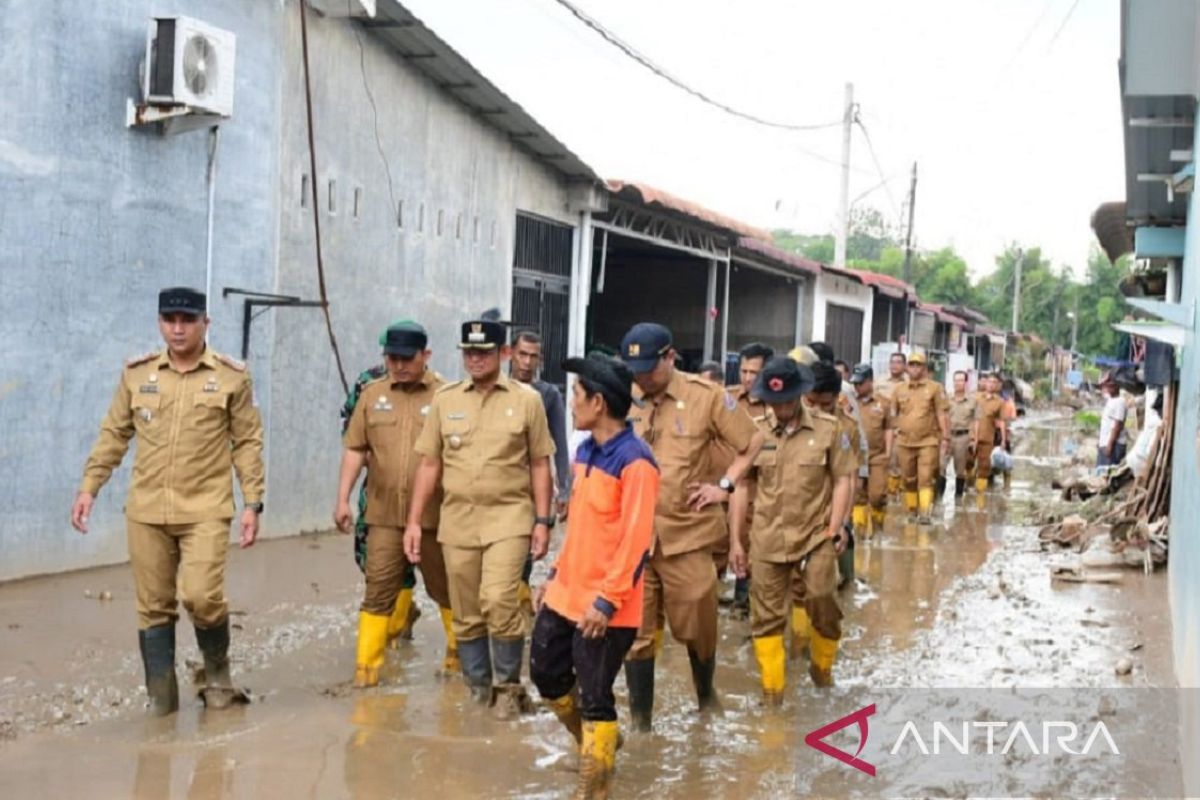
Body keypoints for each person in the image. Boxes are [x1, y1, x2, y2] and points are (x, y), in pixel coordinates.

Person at [71, 287, 264, 715]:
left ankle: (217, 674)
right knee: (154, 607)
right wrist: (90, 487)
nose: (178, 328)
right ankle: (162, 704)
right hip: (147, 511)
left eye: (187, 320)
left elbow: (247, 441)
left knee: (200, 596)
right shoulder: (138, 375)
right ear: (160, 322)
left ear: (205, 324)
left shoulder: (232, 377)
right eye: (170, 319)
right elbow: (114, 435)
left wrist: (253, 502)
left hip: (206, 510)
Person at [405, 318, 556, 718]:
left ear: (503, 354)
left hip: (509, 518)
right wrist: (415, 521)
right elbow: (429, 465)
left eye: (484, 352)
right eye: (469, 352)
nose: (475, 359)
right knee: (467, 611)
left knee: (499, 598)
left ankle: (508, 687)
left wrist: (543, 521)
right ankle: (477, 690)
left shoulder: (527, 401)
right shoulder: (445, 400)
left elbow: (541, 464)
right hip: (458, 521)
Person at [619, 322, 763, 730]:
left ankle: (705, 695)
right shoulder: (624, 396)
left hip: (687, 534)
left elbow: (751, 442)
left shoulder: (707, 397)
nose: (642, 377)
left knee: (698, 625)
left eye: (649, 367)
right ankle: (641, 722)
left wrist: (724, 485)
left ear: (670, 358)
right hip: (635, 537)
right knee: (638, 632)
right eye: (636, 370)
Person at [530, 355, 660, 800]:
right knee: (545, 674)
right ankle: (599, 742)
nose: (571, 405)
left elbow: (635, 541)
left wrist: (606, 602)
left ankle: (595, 786)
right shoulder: (585, 450)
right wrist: (553, 575)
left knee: (595, 697)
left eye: (577, 397)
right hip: (566, 593)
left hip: (606, 606)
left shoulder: (637, 462)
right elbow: (582, 527)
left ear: (599, 403)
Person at [335, 321, 456, 687]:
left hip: (437, 517)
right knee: (378, 590)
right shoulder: (371, 395)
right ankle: (366, 673)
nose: (399, 365)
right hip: (384, 515)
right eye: (392, 358)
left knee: (447, 588)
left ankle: (458, 660)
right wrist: (342, 498)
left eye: (407, 358)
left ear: (426, 356)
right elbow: (355, 448)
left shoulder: (448, 396)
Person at [729, 357, 855, 698]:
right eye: (773, 402)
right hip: (767, 538)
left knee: (821, 598)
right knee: (766, 617)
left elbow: (842, 479)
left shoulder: (829, 429)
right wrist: (736, 542)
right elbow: (741, 486)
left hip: (816, 535)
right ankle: (773, 695)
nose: (780, 409)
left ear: (800, 395)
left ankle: (822, 669)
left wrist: (837, 526)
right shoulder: (755, 433)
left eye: (786, 401)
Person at [510, 330, 573, 622]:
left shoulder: (547, 395)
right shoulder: (494, 388)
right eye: (522, 354)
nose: (526, 362)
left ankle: (520, 618)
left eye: (533, 356)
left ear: (540, 360)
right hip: (494, 487)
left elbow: (559, 445)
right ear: (510, 353)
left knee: (519, 558)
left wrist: (564, 490)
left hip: (531, 490)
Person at [887, 351, 950, 524]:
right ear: (907, 368)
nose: (915, 368)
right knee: (908, 478)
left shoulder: (934, 388)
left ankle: (925, 513)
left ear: (924, 368)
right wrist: (892, 435)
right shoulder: (899, 389)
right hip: (904, 441)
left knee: (925, 477)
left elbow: (941, 413)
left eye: (918, 365)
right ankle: (911, 511)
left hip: (927, 441)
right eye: (912, 364)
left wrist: (945, 437)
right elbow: (893, 414)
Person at [849, 363, 891, 534]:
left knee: (877, 495)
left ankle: (879, 529)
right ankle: (860, 533)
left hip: (877, 456)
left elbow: (889, 428)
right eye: (855, 384)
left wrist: (888, 452)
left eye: (860, 383)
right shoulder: (848, 402)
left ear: (870, 381)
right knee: (858, 495)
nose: (857, 387)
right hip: (855, 457)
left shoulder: (883, 403)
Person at [877, 352, 908, 497]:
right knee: (882, 463)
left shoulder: (909, 384)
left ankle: (897, 496)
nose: (895, 365)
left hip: (900, 431)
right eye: (892, 362)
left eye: (898, 362)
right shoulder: (880, 382)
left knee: (899, 464)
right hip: (880, 430)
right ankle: (885, 495)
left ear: (904, 365)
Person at [973, 373, 1007, 502]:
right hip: (971, 437)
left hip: (987, 438)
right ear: (985, 383)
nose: (991, 384)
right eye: (989, 381)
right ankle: (966, 489)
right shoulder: (975, 397)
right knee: (967, 464)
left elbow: (1002, 421)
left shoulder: (1000, 402)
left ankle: (979, 501)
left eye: (994, 382)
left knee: (984, 468)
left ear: (997, 385)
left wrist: (1003, 440)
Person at [947, 371, 979, 501]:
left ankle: (958, 498)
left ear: (966, 383)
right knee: (940, 467)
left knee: (960, 470)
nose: (957, 383)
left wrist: (974, 439)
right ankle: (938, 499)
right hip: (947, 436)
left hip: (963, 436)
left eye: (960, 380)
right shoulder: (946, 399)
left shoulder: (972, 401)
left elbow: (976, 421)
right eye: (955, 380)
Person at [1098, 374, 1128, 470]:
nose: (1107, 388)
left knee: (1108, 473)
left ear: (1117, 386)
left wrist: (1110, 445)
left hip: (1114, 445)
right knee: (1101, 472)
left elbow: (1117, 425)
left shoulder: (1120, 402)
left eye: (1111, 386)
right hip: (1105, 443)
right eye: (1107, 386)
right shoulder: (1111, 400)